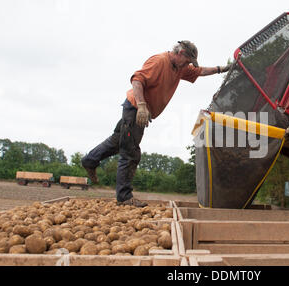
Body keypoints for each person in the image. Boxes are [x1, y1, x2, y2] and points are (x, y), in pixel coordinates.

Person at [81, 40, 231, 207]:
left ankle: (90, 160)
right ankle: (124, 197)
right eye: (187, 61)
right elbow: (137, 79)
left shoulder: (179, 68)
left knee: (118, 142)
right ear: (180, 53)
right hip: (135, 110)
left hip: (137, 111)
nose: (188, 65)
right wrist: (142, 106)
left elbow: (200, 71)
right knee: (131, 152)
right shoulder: (160, 61)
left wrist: (221, 69)